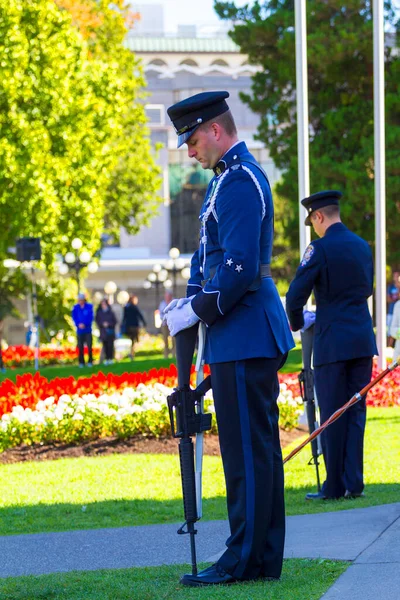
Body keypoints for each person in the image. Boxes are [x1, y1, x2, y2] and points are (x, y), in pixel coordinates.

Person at [164, 91, 294, 587]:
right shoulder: (227, 181)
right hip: (238, 333)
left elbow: (238, 269)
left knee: (247, 453)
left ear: (216, 130)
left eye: (193, 140)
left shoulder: (239, 181)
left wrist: (197, 309)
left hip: (245, 331)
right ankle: (260, 558)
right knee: (252, 450)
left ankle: (242, 560)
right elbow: (210, 261)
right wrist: (188, 303)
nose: (191, 151)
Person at [286, 190, 378, 501]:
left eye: (312, 221)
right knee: (356, 410)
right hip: (362, 339)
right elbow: (366, 288)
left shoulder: (319, 249)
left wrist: (297, 323)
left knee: (332, 413)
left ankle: (334, 486)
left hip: (331, 342)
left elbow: (295, 294)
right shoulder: (363, 246)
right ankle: (354, 482)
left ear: (318, 216)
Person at [72, 293, 94, 367]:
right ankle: (81, 362)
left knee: (89, 346)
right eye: (79, 300)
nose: (80, 301)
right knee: (80, 346)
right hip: (80, 330)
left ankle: (90, 361)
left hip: (87, 330)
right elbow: (74, 318)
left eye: (81, 300)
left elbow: (90, 317)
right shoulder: (75, 307)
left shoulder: (89, 306)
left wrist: (85, 324)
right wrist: (78, 324)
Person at [122, 294, 146, 359]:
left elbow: (124, 317)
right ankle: (132, 353)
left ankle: (131, 353)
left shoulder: (126, 307)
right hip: (134, 326)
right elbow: (139, 315)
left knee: (132, 340)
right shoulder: (134, 307)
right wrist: (144, 323)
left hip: (129, 326)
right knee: (134, 340)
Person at [95, 298, 117, 365]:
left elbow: (115, 321)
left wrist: (108, 324)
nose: (103, 305)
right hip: (103, 332)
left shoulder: (111, 312)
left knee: (110, 346)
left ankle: (111, 358)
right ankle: (106, 359)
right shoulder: (99, 313)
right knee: (105, 346)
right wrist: (102, 324)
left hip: (110, 331)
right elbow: (97, 321)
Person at [158, 291, 175, 358]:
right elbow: (160, 313)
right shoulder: (162, 304)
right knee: (165, 339)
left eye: (168, 296)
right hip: (165, 323)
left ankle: (174, 354)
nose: (167, 297)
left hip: (173, 323)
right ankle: (166, 355)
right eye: (166, 296)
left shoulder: (174, 302)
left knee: (174, 339)